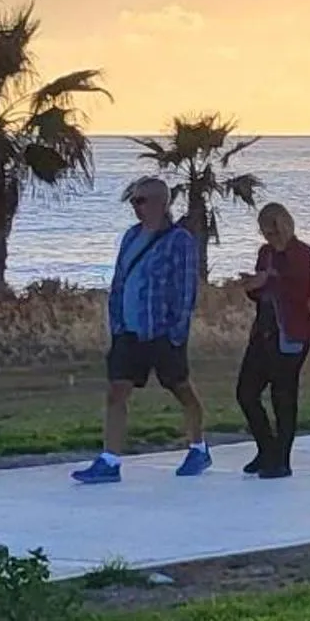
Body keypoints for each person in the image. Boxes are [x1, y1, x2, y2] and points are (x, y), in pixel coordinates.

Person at [72, 175, 210, 484]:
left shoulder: (179, 240)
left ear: (160, 203)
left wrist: (176, 333)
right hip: (129, 331)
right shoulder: (131, 236)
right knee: (116, 392)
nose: (136, 207)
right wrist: (117, 323)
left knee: (180, 388)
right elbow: (120, 280)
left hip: (161, 331)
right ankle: (110, 460)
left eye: (141, 200)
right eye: (134, 201)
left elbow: (186, 288)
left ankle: (198, 446)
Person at [235, 201, 310, 477]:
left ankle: (282, 459)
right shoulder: (265, 253)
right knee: (246, 393)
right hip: (264, 332)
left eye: (273, 231)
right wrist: (253, 286)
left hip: (291, 333)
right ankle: (266, 449)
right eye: (265, 233)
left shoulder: (302, 253)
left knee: (283, 396)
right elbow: (260, 294)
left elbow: (300, 292)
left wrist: (268, 280)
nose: (270, 238)